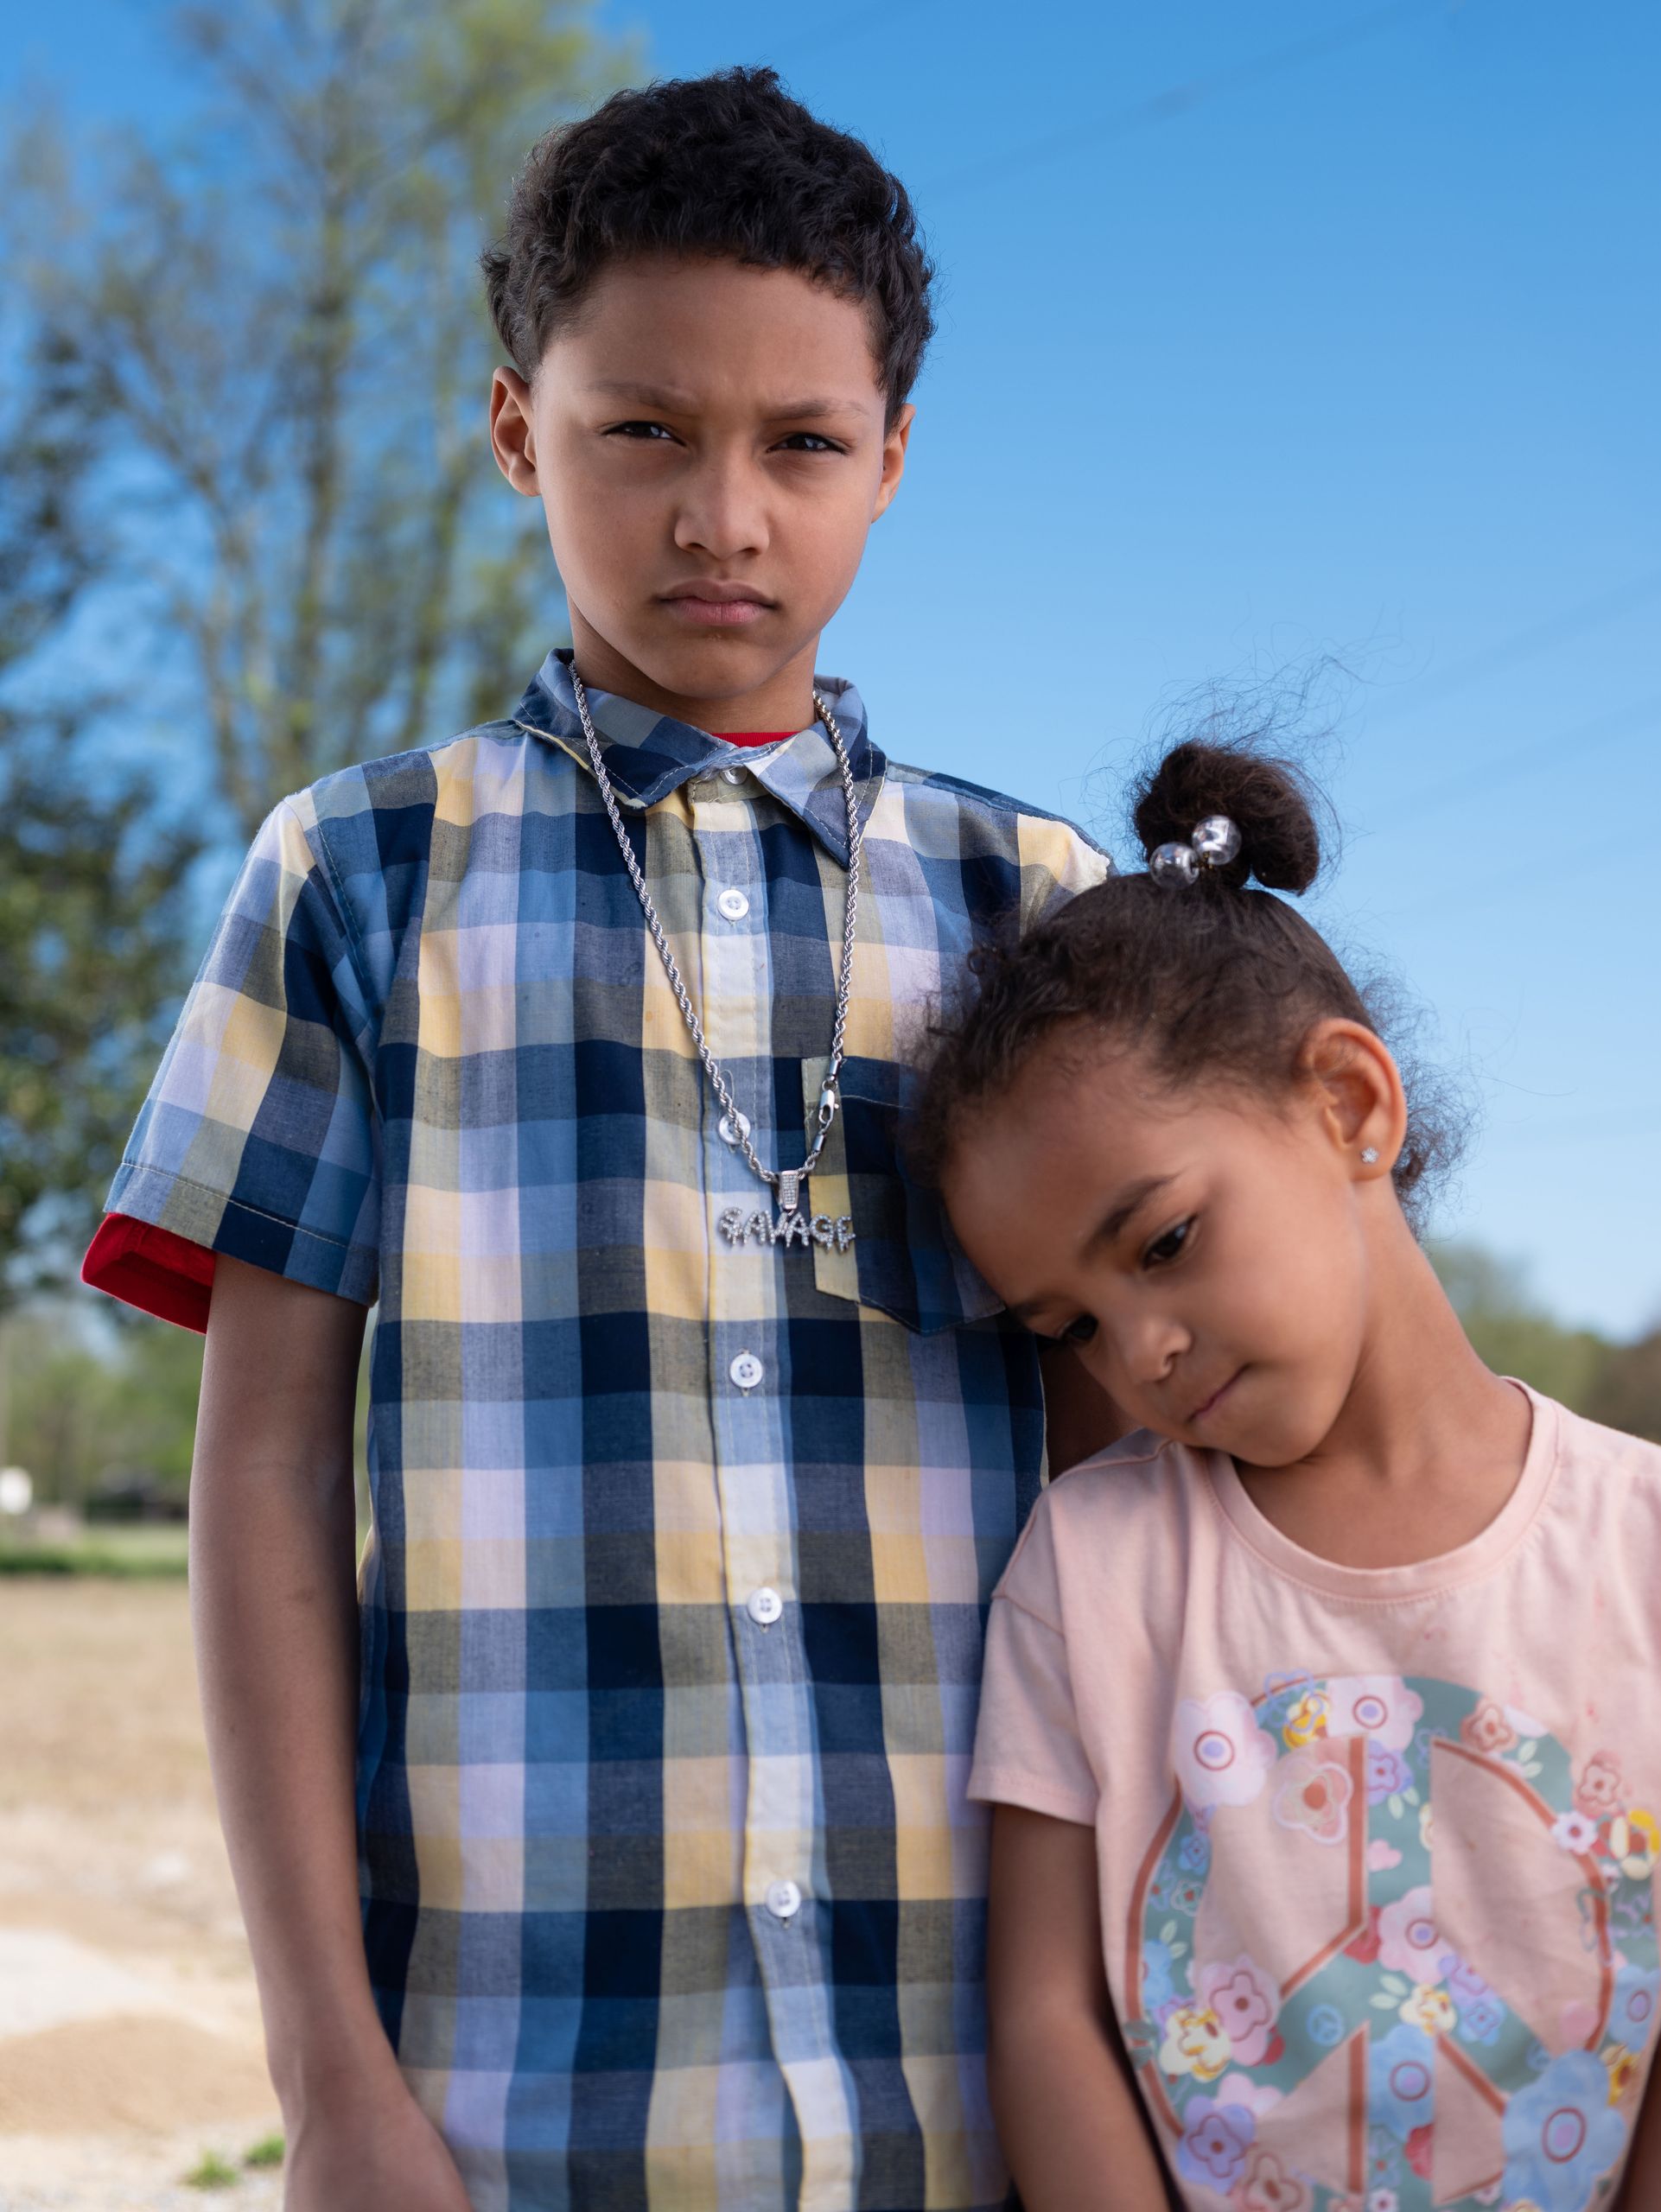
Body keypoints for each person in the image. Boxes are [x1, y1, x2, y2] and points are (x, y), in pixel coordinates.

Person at [80, 67, 1120, 2212]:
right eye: (641, 430)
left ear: (894, 459)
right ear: (512, 432)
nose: (720, 515)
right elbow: (265, 1465)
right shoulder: (358, 875)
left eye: (803, 444)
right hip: (505, 2112)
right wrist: (327, 2078)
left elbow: (1139, 1492)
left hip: (994, 2104)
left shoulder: (1039, 907)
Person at [914, 738, 1661, 2209]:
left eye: (1162, 1243)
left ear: (1351, 1106)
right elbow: (1046, 2019)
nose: (1140, 1352)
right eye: (1072, 1327)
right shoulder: (1090, 1577)